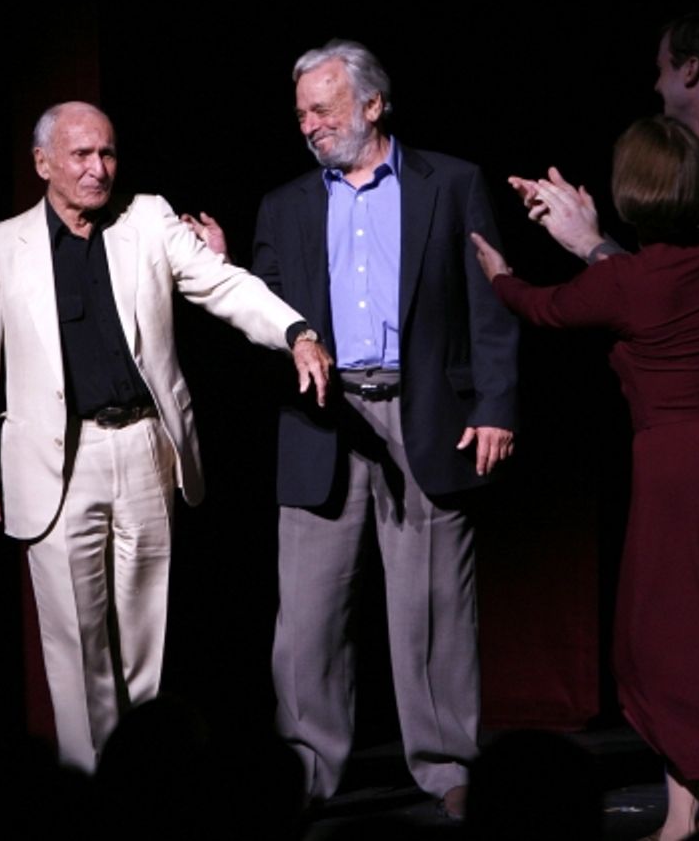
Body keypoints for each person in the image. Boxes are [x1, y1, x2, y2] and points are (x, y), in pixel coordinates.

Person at [0, 101, 332, 772]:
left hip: (148, 450)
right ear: (43, 163)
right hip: (59, 464)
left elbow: (222, 284)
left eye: (108, 154)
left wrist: (295, 330)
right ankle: (90, 791)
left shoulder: (148, 219)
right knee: (78, 651)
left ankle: (145, 787)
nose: (98, 169)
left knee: (144, 640)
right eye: (81, 155)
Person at [474, 115, 699, 841]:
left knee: (659, 647)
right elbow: (640, 284)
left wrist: (499, 272)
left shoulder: (626, 284)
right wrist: (586, 239)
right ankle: (682, 818)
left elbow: (543, 306)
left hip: (689, 471)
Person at [248, 39, 519, 816]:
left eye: (324, 108)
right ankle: (305, 770)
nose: (309, 124)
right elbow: (261, 315)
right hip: (322, 419)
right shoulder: (285, 204)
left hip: (425, 413)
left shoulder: (452, 183)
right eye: (301, 112)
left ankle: (447, 769)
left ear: (373, 105)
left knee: (433, 607)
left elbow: (491, 305)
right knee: (307, 618)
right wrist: (225, 270)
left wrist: (496, 405)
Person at [510, 9, 699, 439]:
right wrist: (581, 233)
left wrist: (589, 243)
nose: (655, 84)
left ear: (691, 69)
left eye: (661, 69)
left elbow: (676, 297)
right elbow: (669, 284)